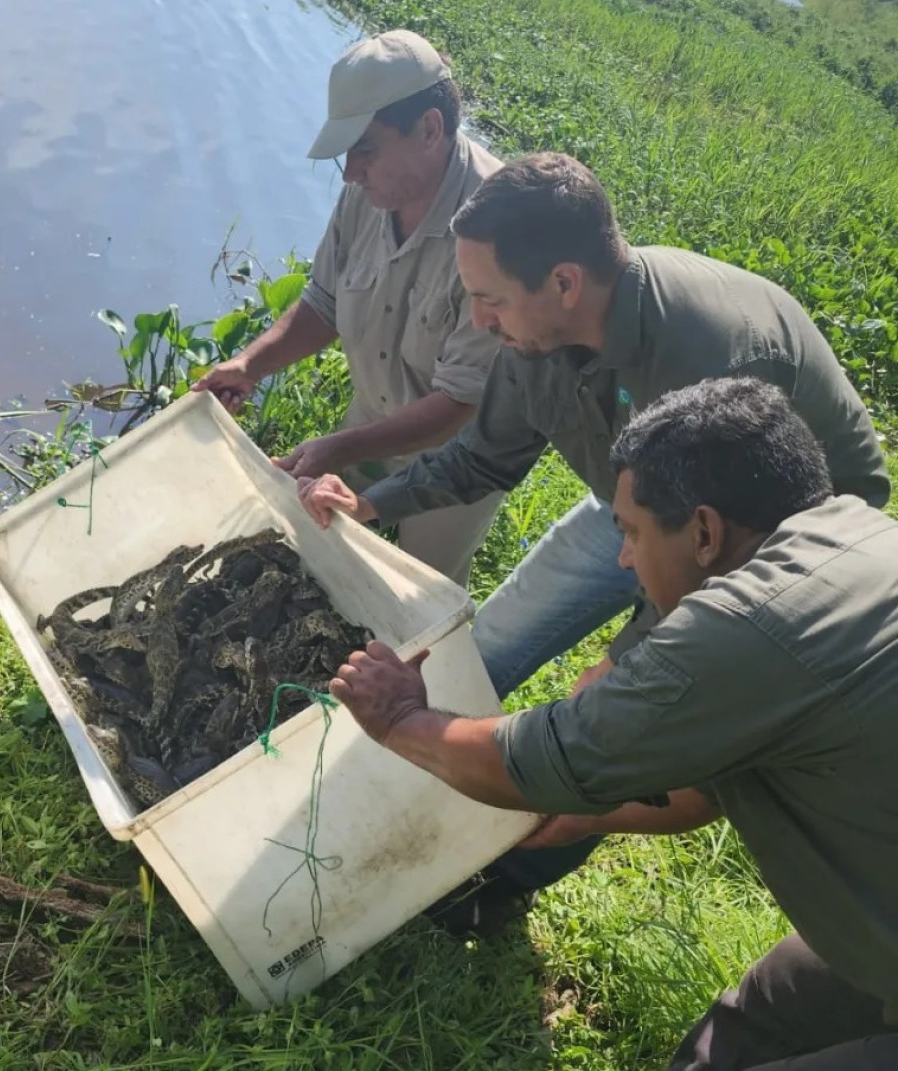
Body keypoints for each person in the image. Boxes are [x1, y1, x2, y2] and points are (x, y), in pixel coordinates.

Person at [296, 151, 890, 924]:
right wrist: (372, 502)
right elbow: (484, 455)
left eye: (489, 299)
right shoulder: (531, 337)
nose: (478, 320)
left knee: (612, 728)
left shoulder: (714, 358)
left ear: (564, 284)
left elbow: (720, 548)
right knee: (481, 650)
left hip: (770, 546)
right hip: (646, 505)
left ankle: (498, 884)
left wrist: (621, 667)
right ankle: (432, 811)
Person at [330, 378, 898, 1070]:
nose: (624, 557)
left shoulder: (746, 624)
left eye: (630, 531)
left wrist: (400, 718)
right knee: (748, 1023)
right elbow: (705, 791)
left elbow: (546, 759)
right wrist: (589, 817)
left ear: (704, 531)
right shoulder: (850, 530)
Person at [192, 29, 505, 587]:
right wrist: (250, 364)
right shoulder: (367, 191)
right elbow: (324, 303)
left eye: (366, 149)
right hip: (372, 414)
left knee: (415, 592)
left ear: (429, 130)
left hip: (456, 458)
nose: (349, 172)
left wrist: (336, 449)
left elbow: (459, 401)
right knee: (306, 550)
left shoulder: (496, 228)